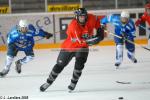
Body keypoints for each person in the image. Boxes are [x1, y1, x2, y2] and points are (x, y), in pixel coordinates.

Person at [40, 8, 105, 92]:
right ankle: (48, 82)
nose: (82, 18)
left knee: (79, 64)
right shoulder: (73, 26)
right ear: (76, 17)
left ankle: (73, 82)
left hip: (82, 48)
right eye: (80, 16)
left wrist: (100, 29)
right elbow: (82, 42)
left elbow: (98, 20)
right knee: (59, 65)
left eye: (84, 16)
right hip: (69, 46)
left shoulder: (91, 17)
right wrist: (94, 40)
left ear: (86, 16)